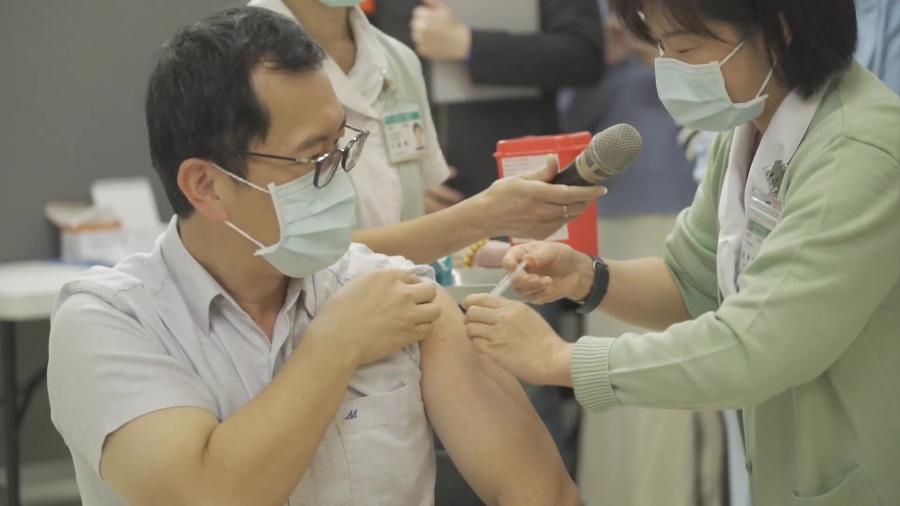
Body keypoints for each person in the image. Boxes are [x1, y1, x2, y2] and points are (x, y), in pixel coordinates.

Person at [46, 8, 580, 505]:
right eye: (311, 158)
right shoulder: (112, 323)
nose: (339, 177)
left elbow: (543, 493)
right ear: (207, 185)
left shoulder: (391, 292)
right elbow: (204, 493)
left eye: (340, 147)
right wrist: (337, 343)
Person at [463, 0, 900, 504]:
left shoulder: (857, 150)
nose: (669, 70)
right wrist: (587, 277)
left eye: (687, 50)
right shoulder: (749, 126)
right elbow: (692, 282)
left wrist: (561, 359)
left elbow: (758, 346)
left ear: (780, 32)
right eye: (661, 47)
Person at [249, 0, 605, 266]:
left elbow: (408, 222)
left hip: (407, 309)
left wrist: (483, 252)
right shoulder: (241, 65)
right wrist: (483, 216)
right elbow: (298, 253)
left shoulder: (397, 59)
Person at [557, 2, 722, 504]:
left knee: (671, 376)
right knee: (609, 378)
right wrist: (599, 61)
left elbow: (729, 95)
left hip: (689, 206)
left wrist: (671, 57)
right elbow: (565, 120)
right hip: (608, 213)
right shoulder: (589, 19)